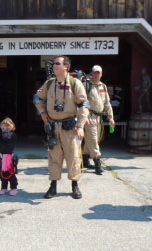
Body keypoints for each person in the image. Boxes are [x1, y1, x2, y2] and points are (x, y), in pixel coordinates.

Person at [34, 55, 89, 199]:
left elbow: (84, 104)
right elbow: (37, 98)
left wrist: (80, 125)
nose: (54, 66)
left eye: (57, 63)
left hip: (70, 128)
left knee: (73, 157)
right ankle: (53, 187)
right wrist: (43, 113)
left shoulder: (75, 83)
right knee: (54, 158)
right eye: (53, 63)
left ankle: (75, 186)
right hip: (52, 127)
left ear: (66, 66)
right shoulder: (49, 84)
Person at [82, 65, 115, 175]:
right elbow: (81, 101)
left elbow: (107, 103)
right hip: (89, 116)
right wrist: (85, 116)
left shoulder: (103, 86)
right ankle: (98, 164)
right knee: (93, 138)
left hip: (99, 118)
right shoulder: (86, 85)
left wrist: (111, 117)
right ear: (91, 73)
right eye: (95, 72)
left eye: (98, 73)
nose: (96, 74)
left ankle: (85, 160)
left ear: (101, 74)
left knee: (92, 140)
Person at [0, 117, 18, 196]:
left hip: (9, 156)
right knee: (2, 172)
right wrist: (2, 131)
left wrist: (7, 131)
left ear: (12, 126)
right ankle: (3, 187)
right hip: (2, 156)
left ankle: (14, 188)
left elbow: (7, 138)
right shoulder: (0, 134)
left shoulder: (13, 134)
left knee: (11, 173)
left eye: (7, 126)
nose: (5, 127)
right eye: (3, 126)